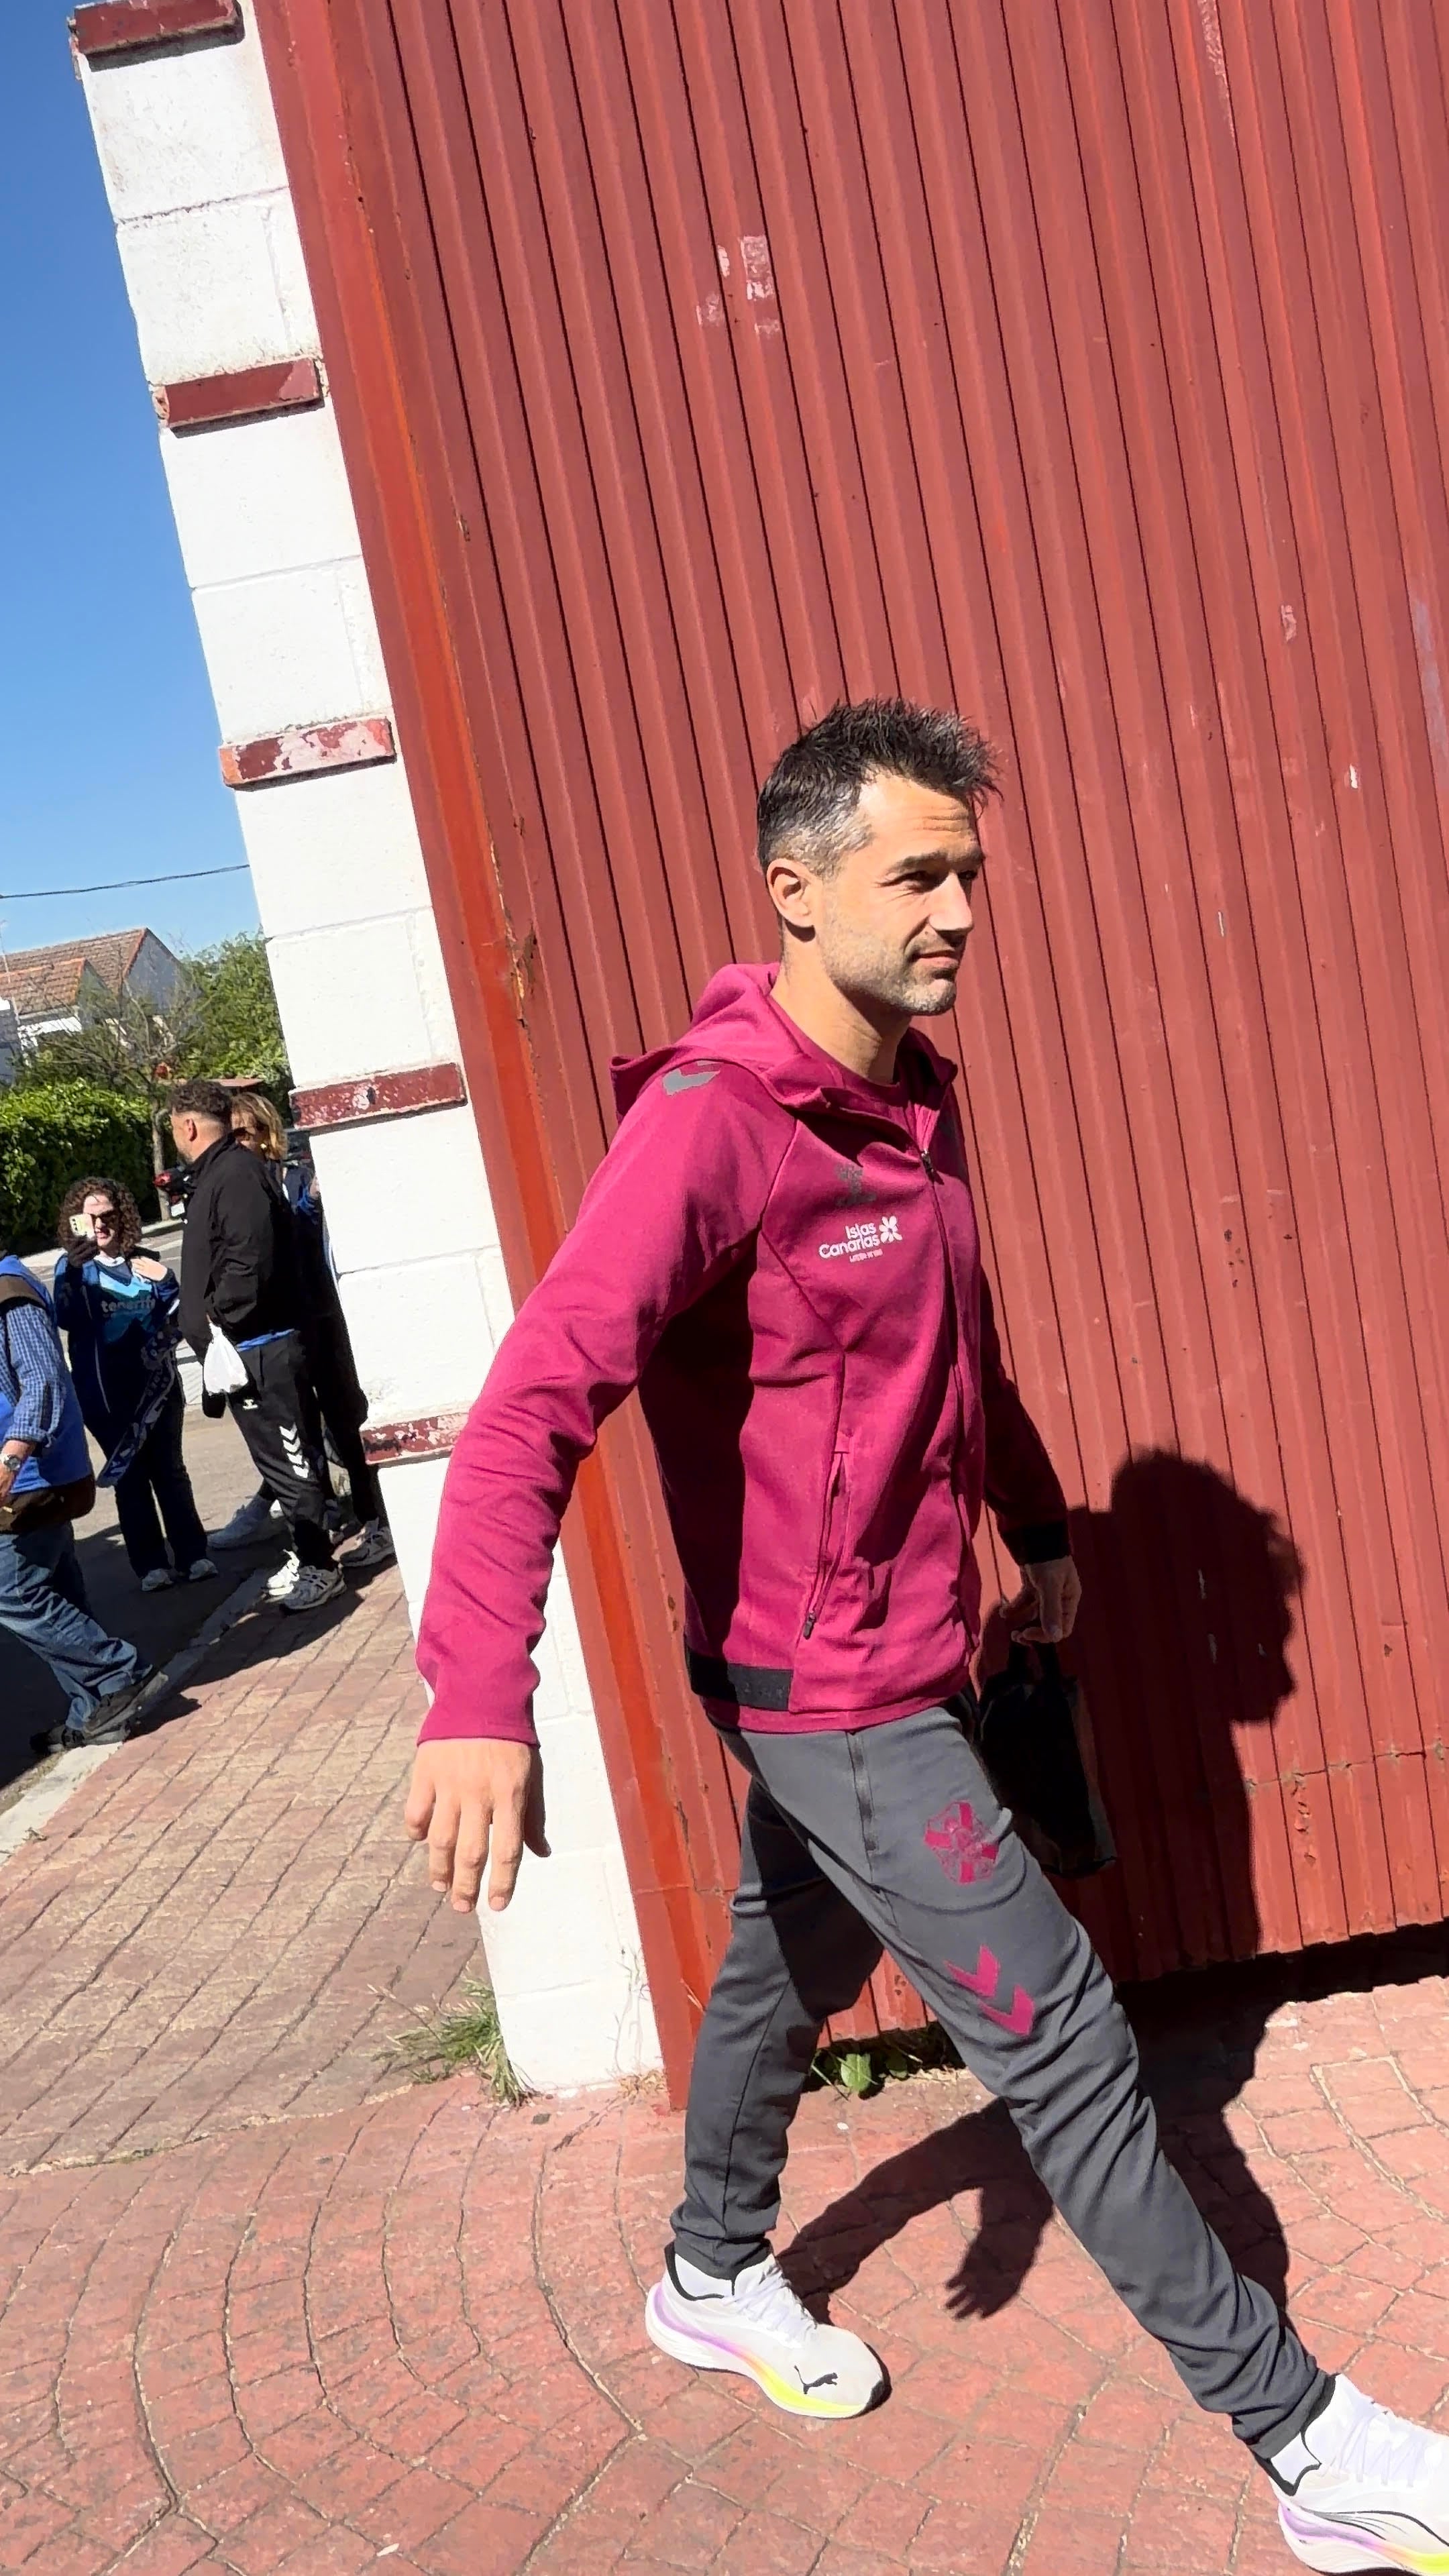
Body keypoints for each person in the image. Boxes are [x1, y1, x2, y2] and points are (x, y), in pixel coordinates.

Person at [405, 701, 1449, 2573]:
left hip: (908, 1651)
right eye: (918, 873)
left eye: (968, 870)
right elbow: (527, 1410)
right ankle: (1310, 2447)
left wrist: (1028, 1523)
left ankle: (708, 2271)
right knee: (1071, 2047)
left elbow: (959, 1348)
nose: (961, 907)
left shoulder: (909, 1094)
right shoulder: (714, 1129)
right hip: (832, 1693)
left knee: (779, 1969)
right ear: (795, 892)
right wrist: (480, 1694)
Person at [167, 1078, 342, 1615]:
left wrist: (219, 1318)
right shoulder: (217, 1175)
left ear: (188, 1126)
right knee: (278, 1463)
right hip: (244, 1353)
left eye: (173, 1128)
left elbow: (250, 1261)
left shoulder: (236, 1175)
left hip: (262, 1348)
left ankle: (320, 1564)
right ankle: (305, 1550)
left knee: (293, 1460)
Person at [0, 1236, 166, 1751]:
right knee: (58, 1593)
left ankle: (120, 1672)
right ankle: (93, 1710)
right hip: (36, 1477)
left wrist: (9, 1461)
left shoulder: (8, 1292)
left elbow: (43, 1380)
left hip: (30, 1479)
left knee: (15, 1593)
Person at [219, 1093, 393, 1574]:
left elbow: (307, 1238)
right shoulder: (233, 1190)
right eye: (231, 1135)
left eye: (245, 1132)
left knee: (346, 1420)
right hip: (279, 1333)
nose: (239, 1143)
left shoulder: (292, 1178)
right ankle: (324, 1527)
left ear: (266, 1133)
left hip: (320, 1318)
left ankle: (376, 1518)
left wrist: (309, 1203)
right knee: (301, 1436)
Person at [52, 1176, 215, 1595]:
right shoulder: (73, 1269)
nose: (100, 1225)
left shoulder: (146, 1262)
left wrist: (168, 1281)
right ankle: (151, 1565)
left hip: (159, 1390)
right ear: (76, 1222)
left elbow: (182, 1317)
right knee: (130, 1478)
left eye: (108, 1215)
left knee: (170, 1471)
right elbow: (66, 1319)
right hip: (107, 1396)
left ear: (122, 1216)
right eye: (90, 1219)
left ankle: (193, 1554)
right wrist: (73, 1273)